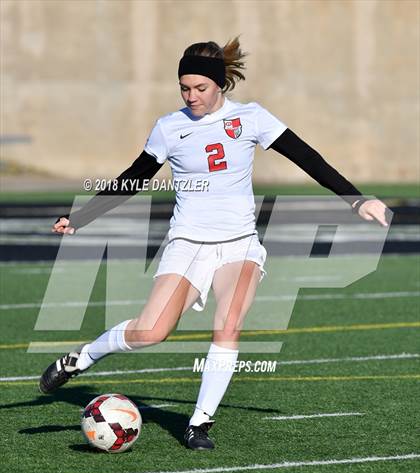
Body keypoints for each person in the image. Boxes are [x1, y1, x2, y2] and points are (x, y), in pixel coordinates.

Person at [39, 38, 389, 450]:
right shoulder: (170, 126)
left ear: (221, 84)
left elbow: (306, 157)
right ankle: (82, 358)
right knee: (151, 331)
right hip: (188, 244)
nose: (192, 96)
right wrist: (79, 218)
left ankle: (199, 423)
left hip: (240, 244)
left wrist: (357, 199)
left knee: (229, 323)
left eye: (200, 88)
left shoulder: (252, 118)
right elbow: (133, 177)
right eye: (184, 88)